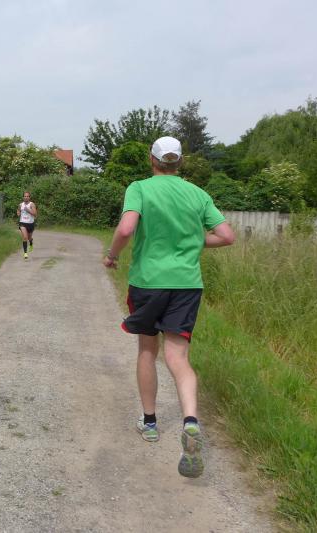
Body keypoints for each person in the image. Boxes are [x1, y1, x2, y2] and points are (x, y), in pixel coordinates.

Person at [103, 136, 235, 478]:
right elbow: (227, 236)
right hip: (187, 284)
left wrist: (112, 255)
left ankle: (149, 423)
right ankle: (190, 420)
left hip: (148, 282)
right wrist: (192, 240)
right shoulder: (198, 194)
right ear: (180, 162)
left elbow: (126, 228)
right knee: (179, 358)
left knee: (148, 350)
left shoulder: (140, 188)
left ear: (153, 160)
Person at [17, 191, 37, 260]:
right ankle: (25, 253)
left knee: (29, 238)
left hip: (30, 223)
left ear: (29, 197)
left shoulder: (32, 204)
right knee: (25, 237)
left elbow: (35, 214)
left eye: (27, 196)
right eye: (25, 196)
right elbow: (18, 210)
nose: (26, 197)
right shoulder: (20, 205)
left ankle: (31, 242)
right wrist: (18, 213)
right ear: (23, 197)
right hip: (22, 223)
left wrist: (28, 210)